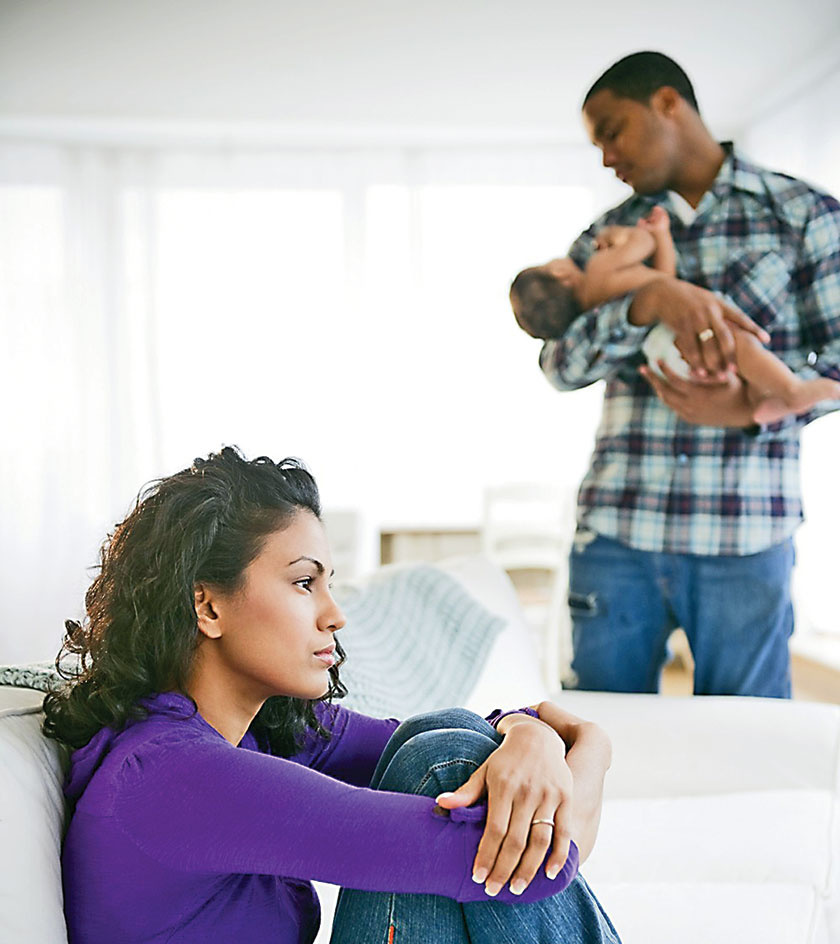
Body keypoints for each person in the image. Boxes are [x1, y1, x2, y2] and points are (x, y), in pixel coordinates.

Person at [43, 446, 619, 944]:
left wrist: (531, 734)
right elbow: (534, 867)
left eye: (328, 584)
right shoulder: (173, 775)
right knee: (444, 764)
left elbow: (454, 734)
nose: (335, 615)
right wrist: (588, 751)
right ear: (208, 605)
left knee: (438, 741)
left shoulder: (259, 731)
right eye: (303, 582)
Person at [515, 51, 840, 698]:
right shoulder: (608, 236)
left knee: (748, 738)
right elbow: (558, 363)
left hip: (747, 535)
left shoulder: (806, 215)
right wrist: (648, 301)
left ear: (667, 103)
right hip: (617, 534)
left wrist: (746, 410)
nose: (606, 158)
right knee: (603, 735)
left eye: (612, 131)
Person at [512, 206, 840, 423]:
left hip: (661, 356)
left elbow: (663, 280)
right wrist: (626, 236)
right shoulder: (599, 268)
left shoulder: (592, 306)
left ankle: (758, 404)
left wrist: (664, 236)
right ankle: (791, 390)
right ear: (560, 274)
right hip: (675, 335)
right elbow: (641, 245)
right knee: (739, 345)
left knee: (737, 372)